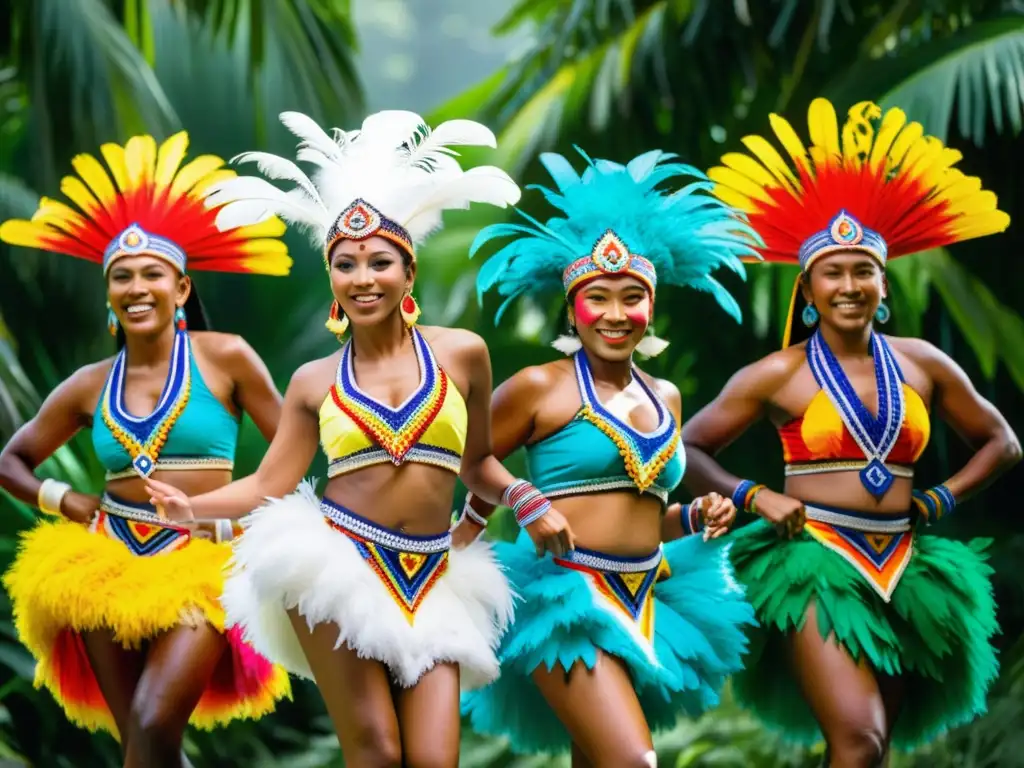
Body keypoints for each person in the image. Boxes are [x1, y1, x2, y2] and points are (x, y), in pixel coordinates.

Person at [145, 109, 555, 767]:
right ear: (331, 278)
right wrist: (192, 510)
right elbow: (270, 483)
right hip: (337, 565)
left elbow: (478, 463)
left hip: (435, 573)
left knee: (433, 759)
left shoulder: (464, 354)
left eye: (379, 261)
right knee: (376, 751)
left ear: (409, 270)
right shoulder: (313, 380)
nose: (363, 277)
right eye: (346, 263)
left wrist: (526, 500)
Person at [682, 97, 1020, 766]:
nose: (848, 285)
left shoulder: (923, 362)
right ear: (807, 292)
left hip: (906, 563)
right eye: (831, 273)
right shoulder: (776, 373)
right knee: (858, 739)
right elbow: (685, 448)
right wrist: (755, 497)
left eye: (862, 270)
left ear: (882, 282)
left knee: (877, 747)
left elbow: (1004, 443)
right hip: (813, 562)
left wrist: (938, 500)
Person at [457, 148, 760, 767]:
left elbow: (650, 513)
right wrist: (525, 498)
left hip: (651, 597)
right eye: (599, 298)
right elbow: (471, 459)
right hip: (566, 598)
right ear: (573, 308)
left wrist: (696, 515)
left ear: (652, 307)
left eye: (632, 298)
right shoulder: (539, 386)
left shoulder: (665, 394)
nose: (617, 315)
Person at [0, 132, 293, 767]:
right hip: (107, 561)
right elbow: (10, 460)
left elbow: (292, 450)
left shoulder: (227, 358)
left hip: (204, 559)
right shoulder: (86, 385)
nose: (136, 287)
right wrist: (66, 498)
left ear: (182, 289)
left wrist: (240, 516)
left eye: (152, 274)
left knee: (156, 719)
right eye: (122, 276)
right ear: (109, 295)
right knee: (140, 738)